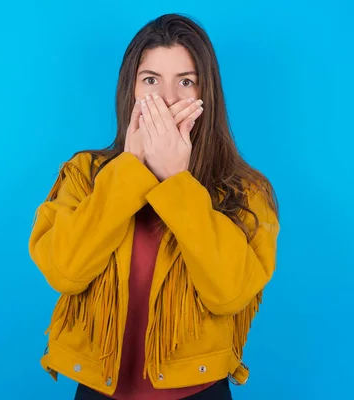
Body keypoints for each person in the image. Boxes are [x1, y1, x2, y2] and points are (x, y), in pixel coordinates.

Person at [28, 13, 280, 400]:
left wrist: (177, 181)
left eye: (185, 81)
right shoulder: (84, 174)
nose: (166, 99)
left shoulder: (247, 191)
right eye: (150, 81)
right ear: (130, 90)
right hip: (98, 391)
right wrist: (131, 170)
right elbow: (64, 271)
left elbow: (230, 293)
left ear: (205, 93)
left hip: (200, 391)